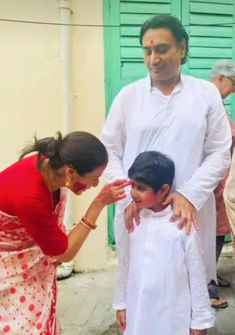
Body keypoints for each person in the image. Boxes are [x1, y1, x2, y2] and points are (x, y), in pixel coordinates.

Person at [101, 14, 231, 295]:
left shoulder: (205, 94)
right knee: (141, 289)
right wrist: (130, 195)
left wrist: (189, 194)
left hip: (188, 212)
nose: (153, 59)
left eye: (161, 49)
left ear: (182, 49)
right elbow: (109, 151)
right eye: (147, 51)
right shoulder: (128, 96)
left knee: (189, 291)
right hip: (138, 213)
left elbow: (219, 151)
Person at [0, 131, 131, 335]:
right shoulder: (30, 195)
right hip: (9, 269)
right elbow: (63, 252)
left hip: (31, 266)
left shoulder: (52, 165)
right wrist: (98, 204)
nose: (95, 185)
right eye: (94, 179)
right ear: (70, 173)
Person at [114, 151, 214, 335]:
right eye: (133, 186)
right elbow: (125, 264)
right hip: (139, 309)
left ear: (164, 190)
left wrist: (199, 321)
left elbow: (196, 273)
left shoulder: (181, 223)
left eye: (141, 189)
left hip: (172, 316)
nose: (134, 193)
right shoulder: (133, 219)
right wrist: (121, 304)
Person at [208, 60, 235, 308]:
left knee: (218, 232)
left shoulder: (218, 103)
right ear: (219, 79)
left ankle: (211, 275)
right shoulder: (205, 102)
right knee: (210, 235)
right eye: (232, 85)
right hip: (211, 182)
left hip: (223, 182)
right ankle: (207, 288)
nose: (233, 91)